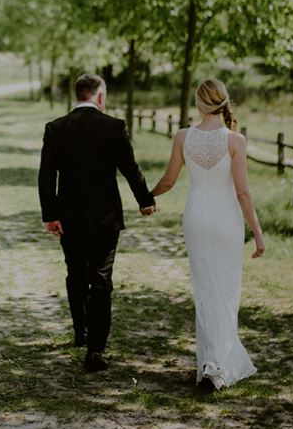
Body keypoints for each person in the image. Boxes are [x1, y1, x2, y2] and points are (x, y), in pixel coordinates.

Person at [150, 78, 264, 393]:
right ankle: (217, 365)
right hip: (225, 218)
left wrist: (148, 196)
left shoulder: (183, 136)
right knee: (225, 291)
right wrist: (257, 232)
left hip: (196, 217)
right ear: (224, 102)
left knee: (205, 290)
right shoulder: (235, 140)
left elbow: (169, 180)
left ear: (199, 104)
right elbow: (242, 192)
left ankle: (210, 363)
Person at [38, 74, 156, 372]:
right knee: (101, 280)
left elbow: (46, 175)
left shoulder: (56, 128)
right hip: (105, 219)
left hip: (69, 218)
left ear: (77, 95)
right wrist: (145, 200)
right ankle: (96, 352)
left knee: (76, 273)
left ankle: (81, 331)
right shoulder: (114, 127)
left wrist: (50, 214)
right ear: (100, 97)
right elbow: (130, 168)